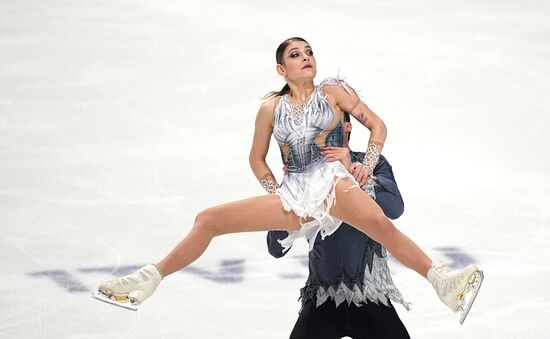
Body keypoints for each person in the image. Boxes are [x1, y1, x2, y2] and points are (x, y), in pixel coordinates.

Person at [95, 37, 483, 325]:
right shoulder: (270, 108)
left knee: (379, 225)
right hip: (295, 192)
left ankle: (444, 283)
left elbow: (378, 125)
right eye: (295, 55)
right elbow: (256, 159)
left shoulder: (334, 92)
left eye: (309, 52)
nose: (306, 58)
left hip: (332, 180)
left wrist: (369, 159)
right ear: (281, 69)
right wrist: (274, 189)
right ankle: (147, 280)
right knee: (207, 219)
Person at [267, 112, 411, 338]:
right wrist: (288, 192)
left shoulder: (371, 164)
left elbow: (395, 208)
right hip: (323, 298)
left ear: (347, 127)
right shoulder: (304, 177)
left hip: (370, 297)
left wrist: (355, 172)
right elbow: (276, 248)